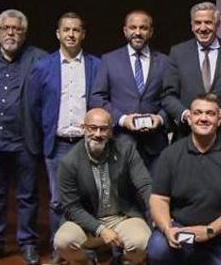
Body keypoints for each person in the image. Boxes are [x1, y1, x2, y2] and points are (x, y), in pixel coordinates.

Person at [0, 9, 47, 265]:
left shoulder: (39, 58)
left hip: (24, 140)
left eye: (16, 29)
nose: (11, 33)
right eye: (6, 28)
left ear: (24, 34)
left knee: (27, 196)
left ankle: (27, 244)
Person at [147, 94, 221, 265]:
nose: (203, 118)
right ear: (189, 118)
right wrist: (167, 229)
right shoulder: (170, 154)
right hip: (182, 231)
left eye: (210, 114)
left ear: (219, 119)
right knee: (157, 251)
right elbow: (159, 199)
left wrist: (210, 230)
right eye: (198, 113)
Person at [30, 12, 102, 262]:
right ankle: (59, 250)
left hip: (88, 145)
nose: (71, 34)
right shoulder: (42, 67)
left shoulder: (96, 65)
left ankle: (88, 249)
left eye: (76, 30)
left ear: (83, 34)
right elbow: (34, 107)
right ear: (58, 33)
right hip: (58, 144)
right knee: (58, 201)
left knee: (90, 199)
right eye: (66, 30)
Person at [52, 108, 153, 265]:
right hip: (85, 220)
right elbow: (72, 207)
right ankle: (86, 261)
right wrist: (101, 230)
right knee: (62, 243)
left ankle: (121, 261)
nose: (98, 134)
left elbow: (144, 184)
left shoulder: (127, 151)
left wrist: (156, 211)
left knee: (142, 243)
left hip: (122, 216)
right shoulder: (69, 162)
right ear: (83, 128)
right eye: (92, 128)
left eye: (103, 129)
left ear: (111, 131)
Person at [89, 9, 171, 170]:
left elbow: (171, 97)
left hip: (155, 147)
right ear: (125, 31)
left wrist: (160, 118)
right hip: (121, 142)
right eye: (133, 28)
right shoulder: (109, 60)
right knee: (121, 194)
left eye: (143, 28)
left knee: (154, 193)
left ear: (151, 31)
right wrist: (122, 119)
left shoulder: (165, 62)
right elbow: (97, 97)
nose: (138, 32)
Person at [162, 2, 221, 141]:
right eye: (197, 23)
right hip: (187, 136)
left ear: (217, 24)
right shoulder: (178, 53)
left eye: (208, 22)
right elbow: (167, 95)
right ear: (191, 25)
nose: (202, 28)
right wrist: (185, 114)